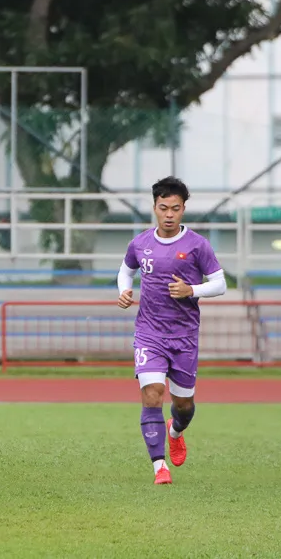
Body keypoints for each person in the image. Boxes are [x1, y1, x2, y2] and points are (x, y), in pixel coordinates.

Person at [117, 176, 227, 485]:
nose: (168, 214)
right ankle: (159, 466)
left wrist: (191, 289)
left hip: (184, 337)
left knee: (184, 406)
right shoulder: (139, 243)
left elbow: (220, 283)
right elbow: (125, 272)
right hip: (149, 333)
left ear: (183, 210)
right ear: (154, 207)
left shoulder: (197, 245)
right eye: (163, 208)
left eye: (175, 209)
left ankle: (175, 431)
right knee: (152, 394)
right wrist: (125, 291)